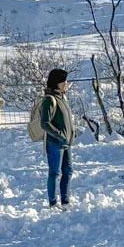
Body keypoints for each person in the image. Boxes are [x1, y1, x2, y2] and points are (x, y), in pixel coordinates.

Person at [39, 68, 76, 208]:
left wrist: (72, 131)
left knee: (68, 171)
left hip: (66, 142)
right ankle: (53, 203)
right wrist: (59, 134)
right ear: (57, 82)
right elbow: (45, 123)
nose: (66, 83)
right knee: (55, 172)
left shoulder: (62, 97)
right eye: (63, 81)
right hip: (55, 143)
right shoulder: (50, 99)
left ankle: (65, 201)